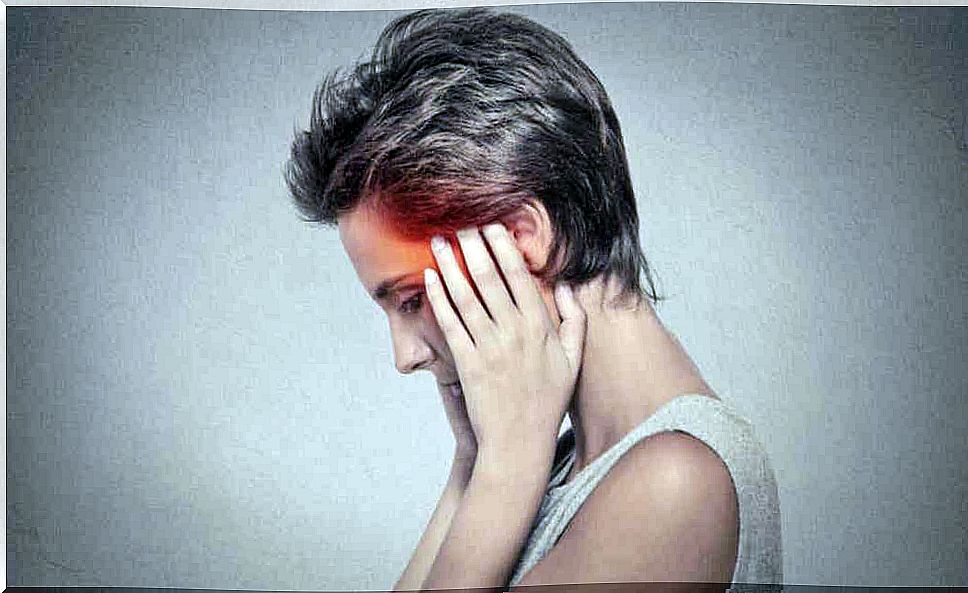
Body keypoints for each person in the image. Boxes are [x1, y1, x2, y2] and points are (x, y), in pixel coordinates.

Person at [284, 7, 781, 592]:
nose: (403, 356)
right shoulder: (567, 461)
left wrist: (509, 468)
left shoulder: (673, 486)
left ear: (522, 239)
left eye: (412, 300)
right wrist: (473, 466)